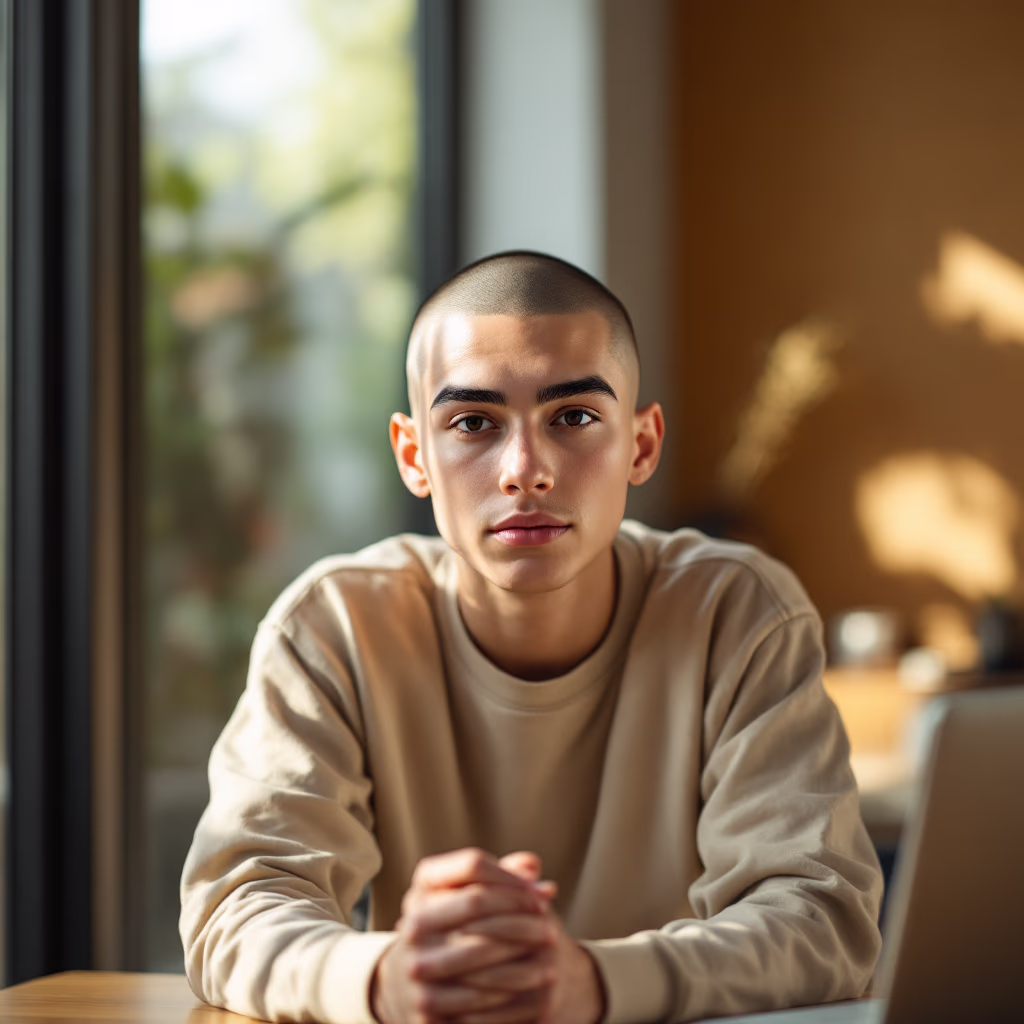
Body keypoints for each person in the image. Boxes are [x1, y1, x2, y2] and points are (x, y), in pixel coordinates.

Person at [180, 251, 883, 1024]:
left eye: (574, 418)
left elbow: (824, 921)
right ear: (415, 455)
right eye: (473, 423)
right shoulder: (335, 626)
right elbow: (235, 910)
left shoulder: (737, 611)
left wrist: (593, 981)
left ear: (641, 445)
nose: (525, 470)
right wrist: (389, 979)